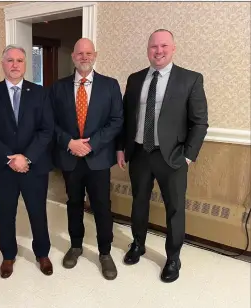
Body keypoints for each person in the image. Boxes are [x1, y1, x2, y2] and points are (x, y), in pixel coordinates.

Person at [117, 29, 208, 283]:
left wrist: (188, 156)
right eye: (154, 47)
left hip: (172, 157)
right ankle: (138, 244)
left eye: (164, 46)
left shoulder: (190, 79)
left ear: (173, 48)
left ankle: (173, 258)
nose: (158, 51)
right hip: (139, 153)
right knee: (139, 203)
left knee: (175, 209)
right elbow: (127, 118)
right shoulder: (135, 79)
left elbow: (200, 123)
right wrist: (122, 147)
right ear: (148, 50)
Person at [50, 38, 123, 280]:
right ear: (73, 56)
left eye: (88, 53)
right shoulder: (57, 88)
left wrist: (91, 144)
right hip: (70, 158)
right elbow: (50, 123)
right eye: (79, 53)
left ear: (95, 55)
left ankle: (105, 252)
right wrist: (69, 143)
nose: (84, 57)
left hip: (98, 158)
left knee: (102, 206)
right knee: (73, 204)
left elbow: (116, 121)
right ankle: (76, 245)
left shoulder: (110, 86)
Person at [0, 45, 54, 279]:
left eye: (20, 60)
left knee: (37, 212)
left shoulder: (41, 93)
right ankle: (8, 255)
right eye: (10, 60)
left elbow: (46, 130)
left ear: (25, 64)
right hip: (3, 168)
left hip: (34, 166)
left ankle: (42, 253)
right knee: (5, 213)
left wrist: (26, 157)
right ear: (2, 64)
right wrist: (10, 159)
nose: (14, 65)